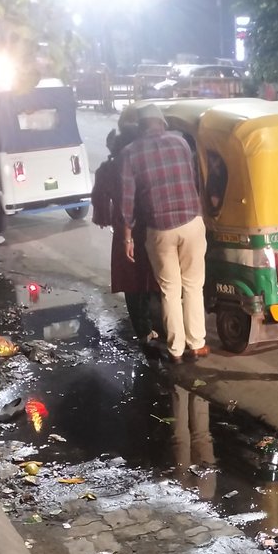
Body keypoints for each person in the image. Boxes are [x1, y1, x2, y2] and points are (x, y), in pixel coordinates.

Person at [119, 103, 208, 364]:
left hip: (160, 228)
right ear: (162, 123)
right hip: (192, 222)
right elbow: (192, 179)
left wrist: (127, 236)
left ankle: (176, 350)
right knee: (193, 285)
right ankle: (198, 344)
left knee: (170, 289)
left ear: (140, 127)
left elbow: (127, 201)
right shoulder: (180, 144)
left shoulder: (130, 153)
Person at [91, 107, 165, 348]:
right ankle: (161, 327)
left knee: (133, 282)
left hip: (126, 228)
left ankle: (144, 331)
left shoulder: (111, 164)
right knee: (156, 277)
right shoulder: (148, 156)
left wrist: (104, 216)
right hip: (152, 222)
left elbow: (100, 198)